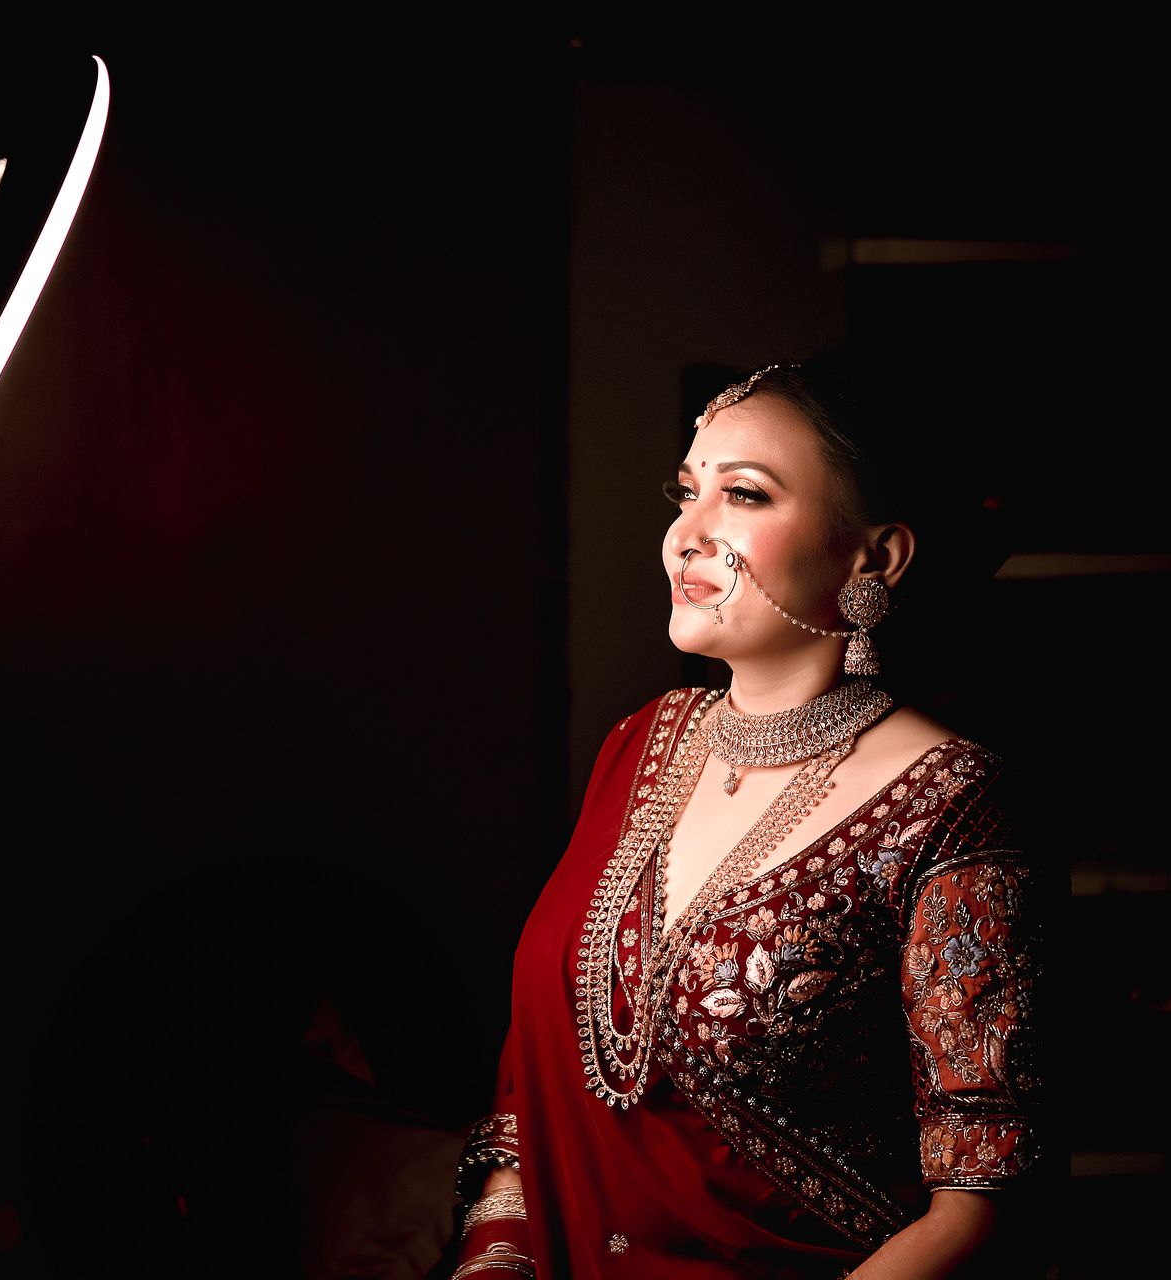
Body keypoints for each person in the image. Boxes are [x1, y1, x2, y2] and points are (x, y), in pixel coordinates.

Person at [447, 359, 1054, 1279]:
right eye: (686, 493)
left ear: (874, 557)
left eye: (744, 495)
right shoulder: (640, 746)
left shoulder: (950, 804)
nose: (686, 536)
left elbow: (981, 1204)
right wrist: (492, 1262)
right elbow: (531, 1088)